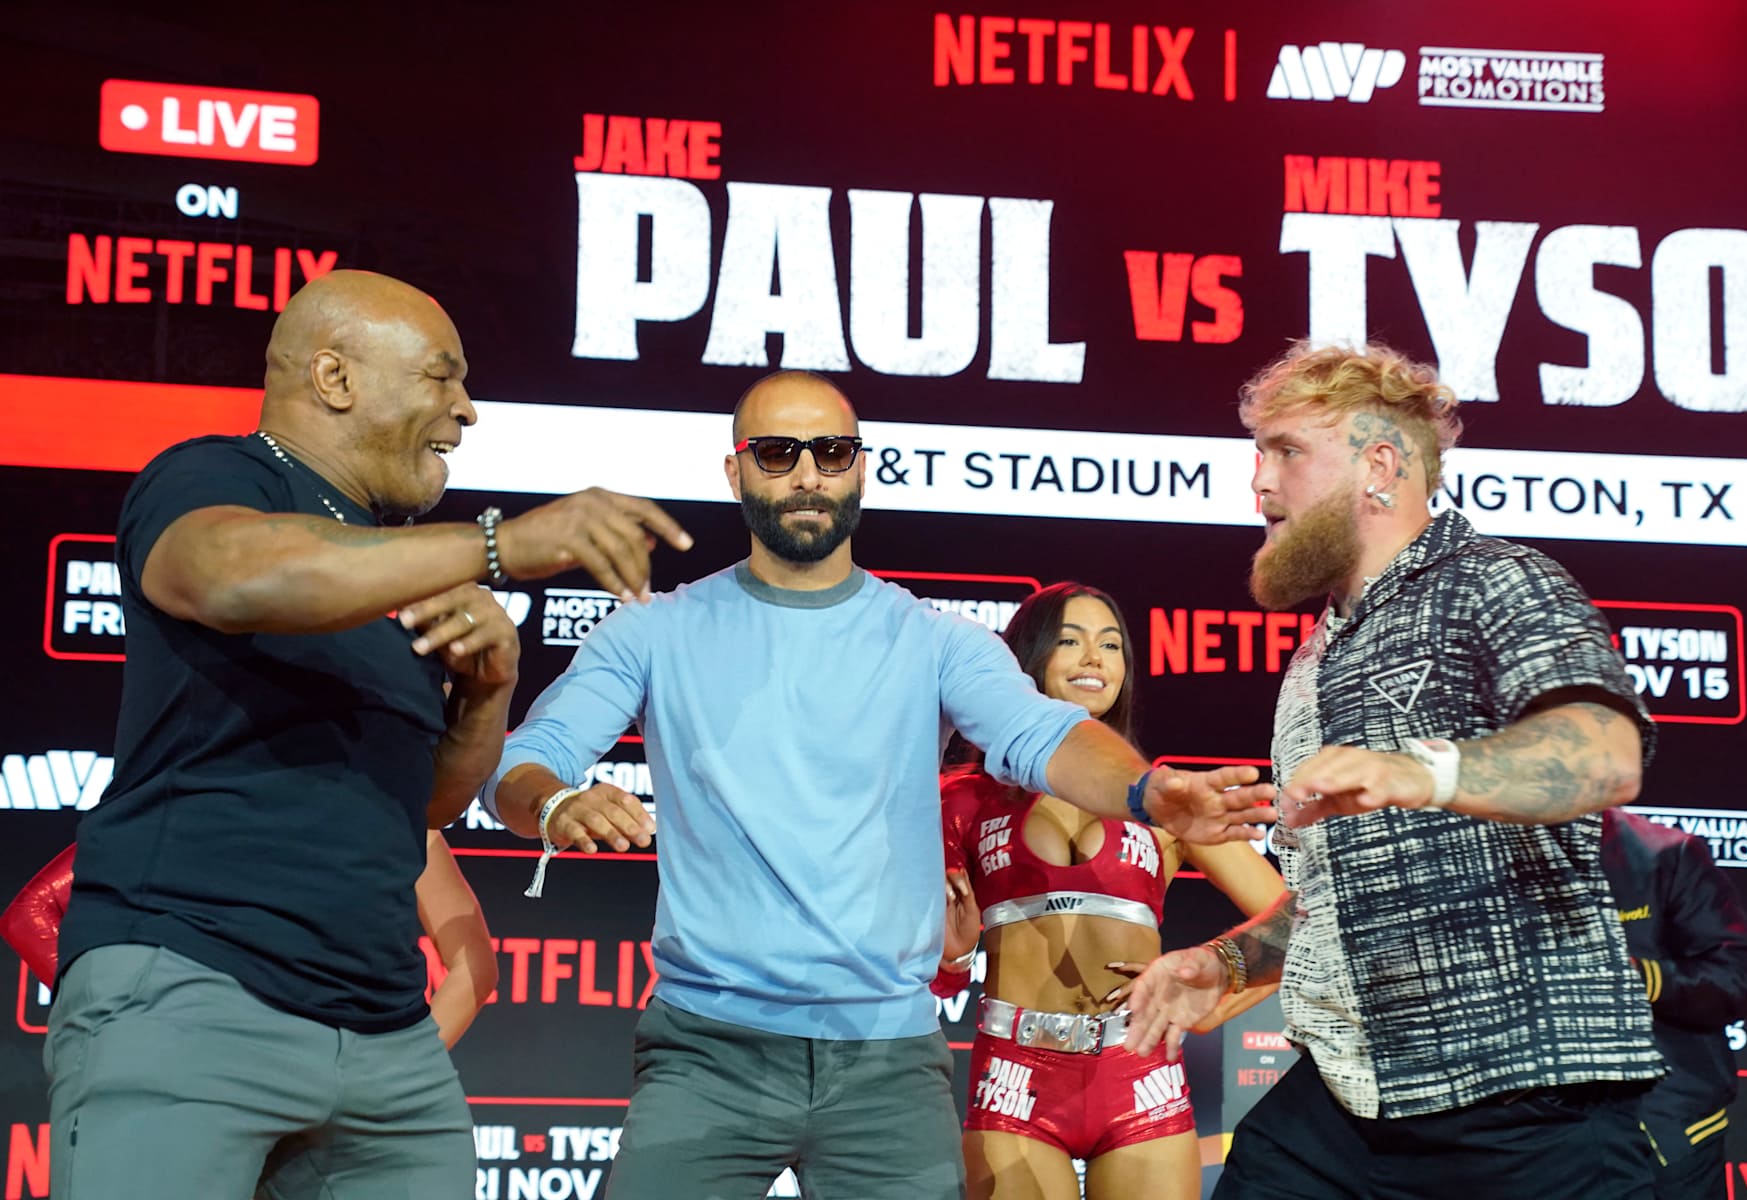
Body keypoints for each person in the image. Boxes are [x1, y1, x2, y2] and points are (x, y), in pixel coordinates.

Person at [482, 369, 1279, 1200]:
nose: (806, 475)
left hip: (888, 1063)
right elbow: (523, 759)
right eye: (778, 452)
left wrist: (1147, 791)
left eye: (831, 452)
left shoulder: (938, 644)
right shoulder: (654, 631)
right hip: (708, 1050)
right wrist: (554, 799)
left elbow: (1038, 734)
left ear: (860, 468)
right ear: (735, 472)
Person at [47, 269, 692, 1200]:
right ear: (335, 377)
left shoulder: (393, 569)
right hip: (192, 987)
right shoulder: (217, 475)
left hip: (384, 1035)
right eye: (442, 377)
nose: (467, 410)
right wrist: (502, 544)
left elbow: (421, 805)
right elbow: (228, 575)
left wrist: (486, 692)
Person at [1124, 341, 1664, 1199]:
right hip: (1350, 1103)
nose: (1258, 484)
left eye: (1287, 452)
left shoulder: (1499, 580)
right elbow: (1341, 897)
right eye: (1258, 454)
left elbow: (1603, 753)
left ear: (1380, 465)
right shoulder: (1313, 660)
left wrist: (1426, 775)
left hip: (1524, 1098)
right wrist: (1227, 965)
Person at [935, 581, 1289, 1200]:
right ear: (1029, 658)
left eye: (1110, 645)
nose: (1094, 659)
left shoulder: (1166, 800)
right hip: (1014, 1077)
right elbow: (927, 973)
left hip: (1141, 1075)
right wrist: (955, 956)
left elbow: (1295, 920)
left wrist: (1214, 987)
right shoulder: (962, 799)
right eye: (1070, 641)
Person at [5, 832, 498, 1048]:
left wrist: (401, 1070)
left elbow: (475, 967)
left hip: (329, 1096)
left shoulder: (404, 822)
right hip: (203, 1084)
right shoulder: (204, 797)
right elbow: (30, 916)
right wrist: (128, 1024)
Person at [1601, 808, 1747, 1199]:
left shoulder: (1664, 854)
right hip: (1535, 1134)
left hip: (1661, 1132)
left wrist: (1641, 977)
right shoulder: (1484, 859)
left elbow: (1744, 977)